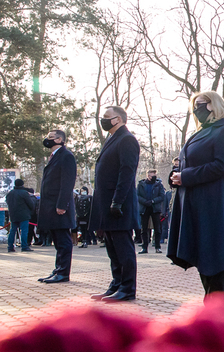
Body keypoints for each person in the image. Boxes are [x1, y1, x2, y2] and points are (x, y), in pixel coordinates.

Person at [168, 92, 224, 300]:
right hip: (198, 203)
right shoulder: (204, 132)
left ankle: (223, 316)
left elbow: (222, 166)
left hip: (214, 205)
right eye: (194, 106)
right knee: (205, 257)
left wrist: (187, 176)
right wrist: (177, 176)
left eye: (200, 104)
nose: (196, 110)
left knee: (215, 258)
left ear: (213, 105)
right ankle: (213, 311)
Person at [89, 107, 140, 301]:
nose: (103, 120)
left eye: (106, 118)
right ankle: (117, 284)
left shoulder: (127, 139)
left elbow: (126, 172)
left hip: (119, 204)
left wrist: (117, 201)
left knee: (123, 248)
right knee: (112, 247)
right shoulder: (112, 139)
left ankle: (128, 288)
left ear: (118, 119)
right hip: (107, 203)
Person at [37, 130, 77, 283]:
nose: (47, 140)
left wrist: (62, 204)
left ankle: (63, 273)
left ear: (60, 139)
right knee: (57, 240)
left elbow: (67, 183)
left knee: (63, 240)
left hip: (59, 206)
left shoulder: (66, 156)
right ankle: (58, 269)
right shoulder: (55, 156)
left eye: (50, 137)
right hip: (51, 206)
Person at [136, 169, 165, 254]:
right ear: (148, 176)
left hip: (155, 208)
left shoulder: (159, 185)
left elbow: (162, 196)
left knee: (157, 228)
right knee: (144, 229)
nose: (153, 177)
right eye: (151, 175)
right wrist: (144, 201)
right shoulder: (141, 184)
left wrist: (153, 201)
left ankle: (157, 247)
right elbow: (137, 195)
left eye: (154, 175)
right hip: (144, 208)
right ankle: (144, 247)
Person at [5, 179, 35, 252]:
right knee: (24, 231)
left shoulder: (10, 193)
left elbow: (8, 203)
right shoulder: (24, 193)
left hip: (13, 215)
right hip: (24, 215)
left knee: (12, 231)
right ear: (22, 184)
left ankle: (10, 247)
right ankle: (24, 246)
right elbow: (31, 204)